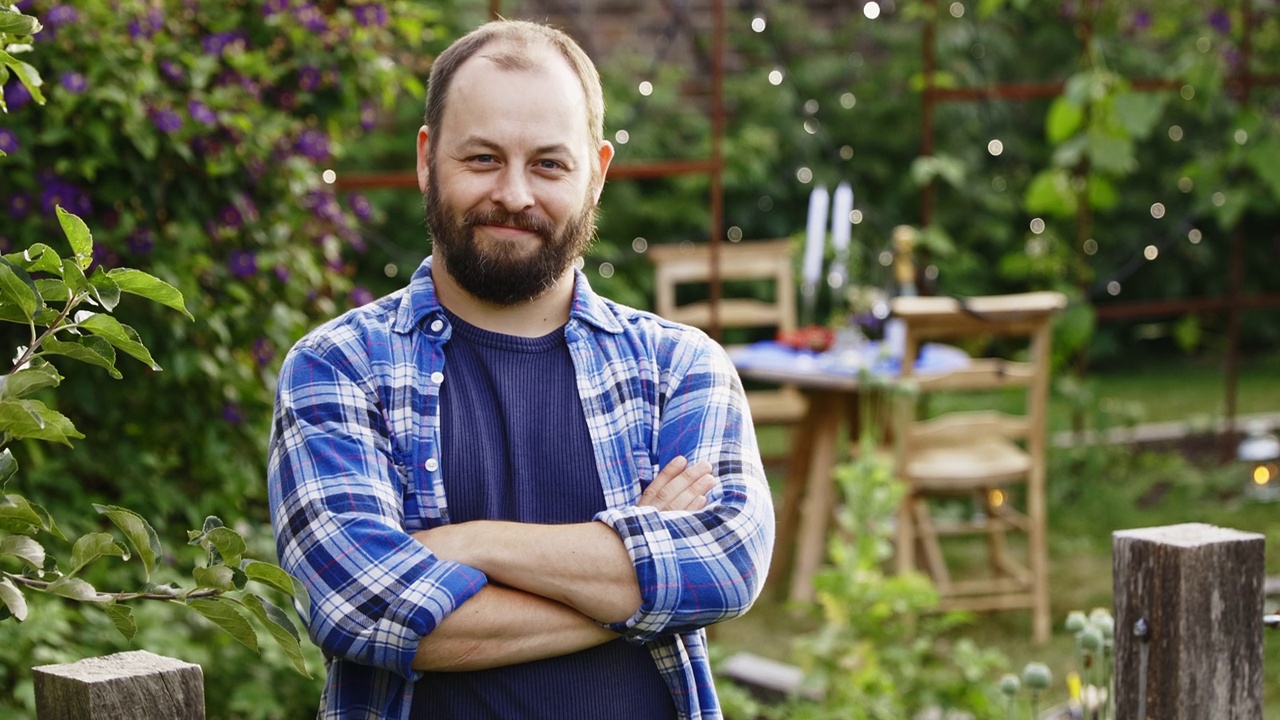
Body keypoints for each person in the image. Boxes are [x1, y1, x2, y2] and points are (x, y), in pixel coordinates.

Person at [267, 18, 774, 720]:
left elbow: (726, 566)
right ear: (426, 158)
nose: (514, 193)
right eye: (481, 159)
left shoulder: (679, 368)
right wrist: (638, 580)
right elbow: (359, 605)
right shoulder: (338, 367)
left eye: (548, 164)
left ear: (596, 173)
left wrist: (466, 546)